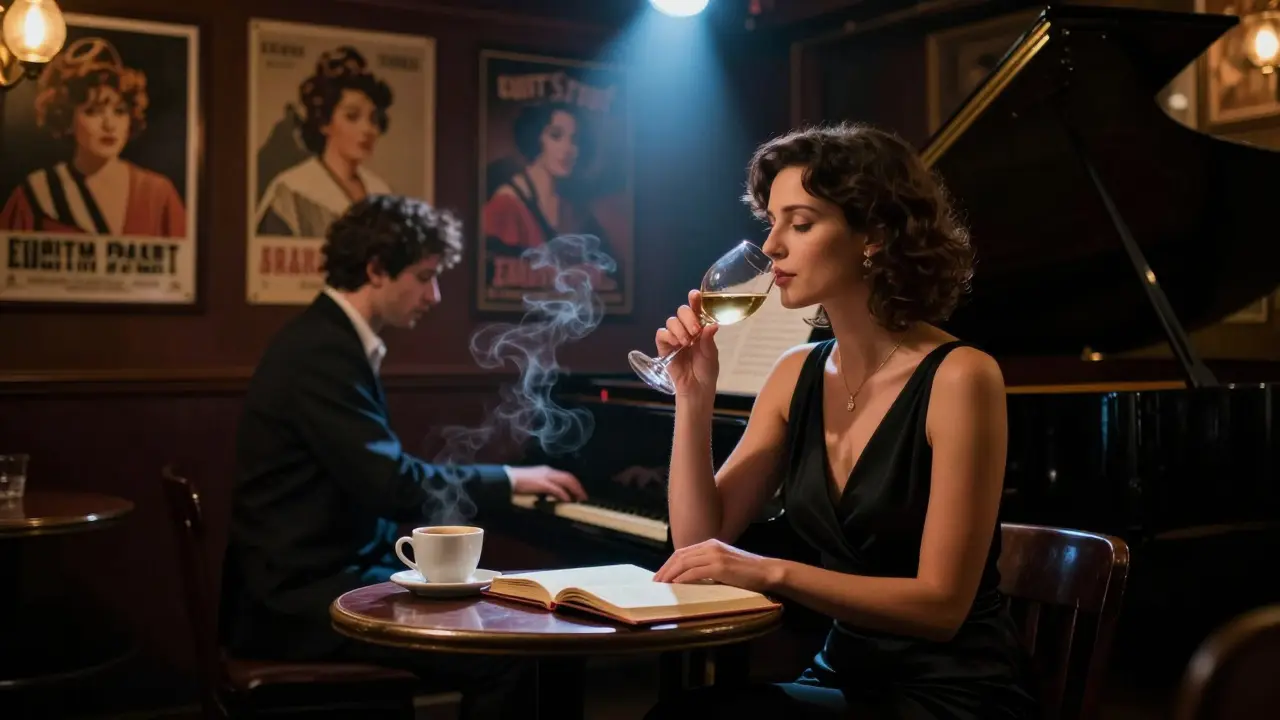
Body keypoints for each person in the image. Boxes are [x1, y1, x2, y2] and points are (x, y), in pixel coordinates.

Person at [644, 123, 1040, 719]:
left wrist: (771, 572)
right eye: (770, 222)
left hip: (949, 693)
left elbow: (941, 608)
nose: (772, 246)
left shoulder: (961, 377)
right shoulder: (794, 373)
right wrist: (693, 398)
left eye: (800, 224)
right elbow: (699, 542)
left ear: (873, 236)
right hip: (842, 675)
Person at [221, 194, 586, 718]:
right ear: (375, 270)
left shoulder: (327, 341)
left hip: (318, 577)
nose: (434, 295)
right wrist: (509, 479)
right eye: (424, 276)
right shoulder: (321, 352)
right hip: (294, 602)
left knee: (522, 622)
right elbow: (391, 485)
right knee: (509, 652)